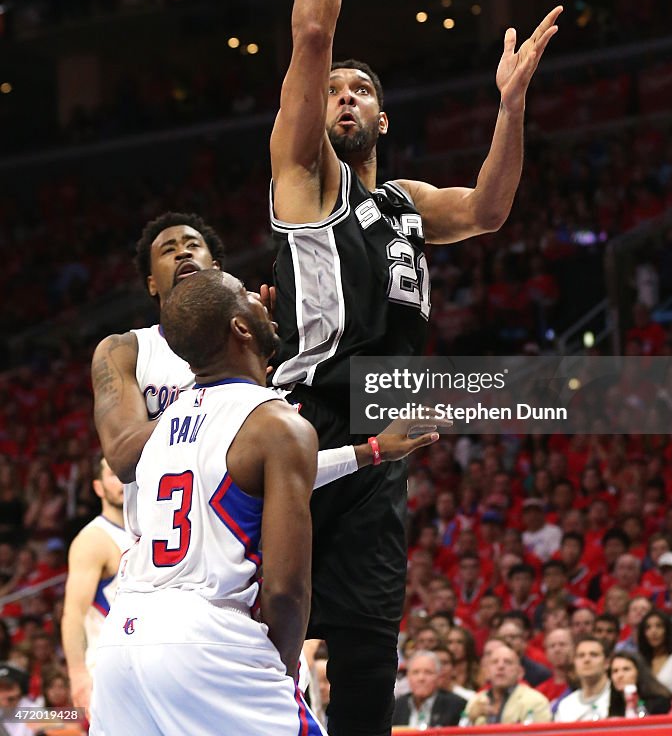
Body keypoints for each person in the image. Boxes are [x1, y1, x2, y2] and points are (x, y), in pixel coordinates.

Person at [268, 0, 562, 736]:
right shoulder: (302, 174)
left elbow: (488, 211)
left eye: (361, 92)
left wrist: (511, 108)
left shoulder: (401, 200)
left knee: (364, 649)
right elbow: (313, 32)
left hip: (390, 417)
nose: (342, 97)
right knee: (264, 631)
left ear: (383, 119)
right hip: (309, 413)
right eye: (334, 91)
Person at [91, 213, 438, 704]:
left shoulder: (258, 376)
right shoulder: (132, 349)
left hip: (136, 622)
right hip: (212, 618)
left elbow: (266, 467)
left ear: (217, 266)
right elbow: (128, 456)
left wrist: (370, 450)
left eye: (194, 245)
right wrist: (231, 377)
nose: (183, 252)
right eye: (167, 249)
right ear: (151, 281)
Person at [89, 269, 323, 735]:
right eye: (246, 297)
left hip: (123, 639)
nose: (260, 299)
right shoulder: (278, 427)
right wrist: (280, 666)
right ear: (239, 329)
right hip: (208, 638)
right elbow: (285, 589)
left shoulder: (156, 431)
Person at [61, 458, 130, 714]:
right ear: (98, 488)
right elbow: (73, 615)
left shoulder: (151, 530)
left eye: (126, 472)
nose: (123, 481)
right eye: (113, 475)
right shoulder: (93, 539)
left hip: (146, 664)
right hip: (108, 670)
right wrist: (78, 676)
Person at [465, 642, 551, 725]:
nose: (500, 666)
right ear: (487, 672)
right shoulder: (475, 701)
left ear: (520, 673)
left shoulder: (536, 701)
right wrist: (470, 719)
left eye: (508, 662)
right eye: (495, 662)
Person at [391, 651, 466, 729]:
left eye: (428, 672)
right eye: (415, 672)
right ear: (408, 676)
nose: (421, 678)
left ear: (438, 676)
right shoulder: (396, 707)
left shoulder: (456, 705)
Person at [554, 638, 611, 722]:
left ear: (607, 663)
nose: (586, 660)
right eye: (581, 656)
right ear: (574, 663)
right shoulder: (566, 706)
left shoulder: (619, 697)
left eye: (593, 655)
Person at [608, 650, 672, 717]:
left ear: (639, 672)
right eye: (615, 671)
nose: (620, 675)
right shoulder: (615, 703)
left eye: (626, 669)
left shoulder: (660, 702)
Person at [637, 609, 672, 694]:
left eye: (659, 626)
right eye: (648, 628)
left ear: (667, 630)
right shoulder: (641, 662)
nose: (653, 632)